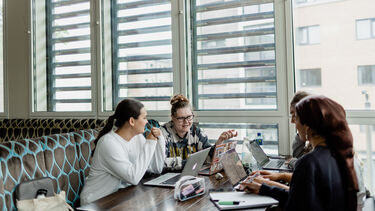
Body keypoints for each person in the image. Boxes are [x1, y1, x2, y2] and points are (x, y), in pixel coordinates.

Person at [242, 95, 359, 210]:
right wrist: (264, 188)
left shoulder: (309, 162)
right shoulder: (341, 155)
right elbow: (305, 198)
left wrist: (266, 188)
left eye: (296, 117)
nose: (293, 123)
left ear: (308, 127)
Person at [80, 99, 166, 205]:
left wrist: (160, 140)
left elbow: (155, 168)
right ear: (132, 121)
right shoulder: (108, 143)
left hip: (120, 198)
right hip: (96, 202)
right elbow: (133, 177)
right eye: (144, 118)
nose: (147, 121)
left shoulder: (137, 137)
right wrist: (149, 144)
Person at [161, 94, 237, 170]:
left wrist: (220, 140)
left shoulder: (197, 133)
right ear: (173, 118)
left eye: (189, 117)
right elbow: (160, 163)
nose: (186, 122)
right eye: (181, 118)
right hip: (167, 177)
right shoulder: (163, 133)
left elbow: (208, 158)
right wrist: (190, 162)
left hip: (191, 176)